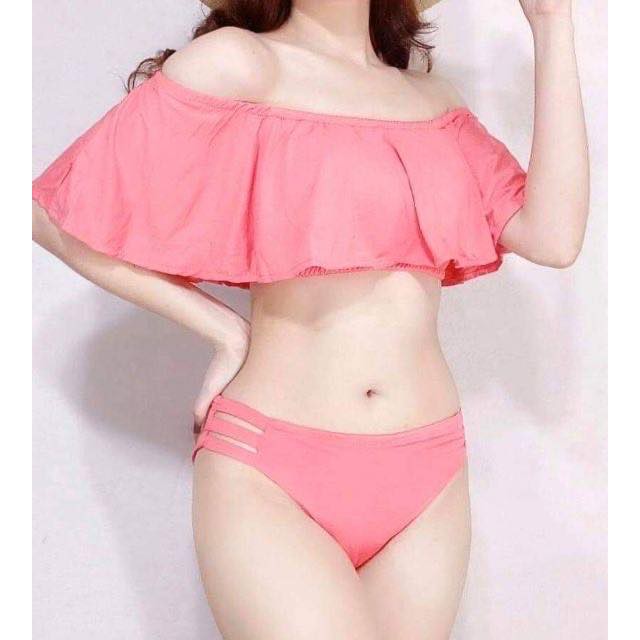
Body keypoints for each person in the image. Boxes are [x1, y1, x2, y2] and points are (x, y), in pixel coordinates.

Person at [32, 0, 589, 638]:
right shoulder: (242, 63)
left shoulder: (432, 99)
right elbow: (49, 214)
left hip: (428, 475)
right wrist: (225, 330)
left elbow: (553, 237)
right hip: (271, 469)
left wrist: (551, 23)